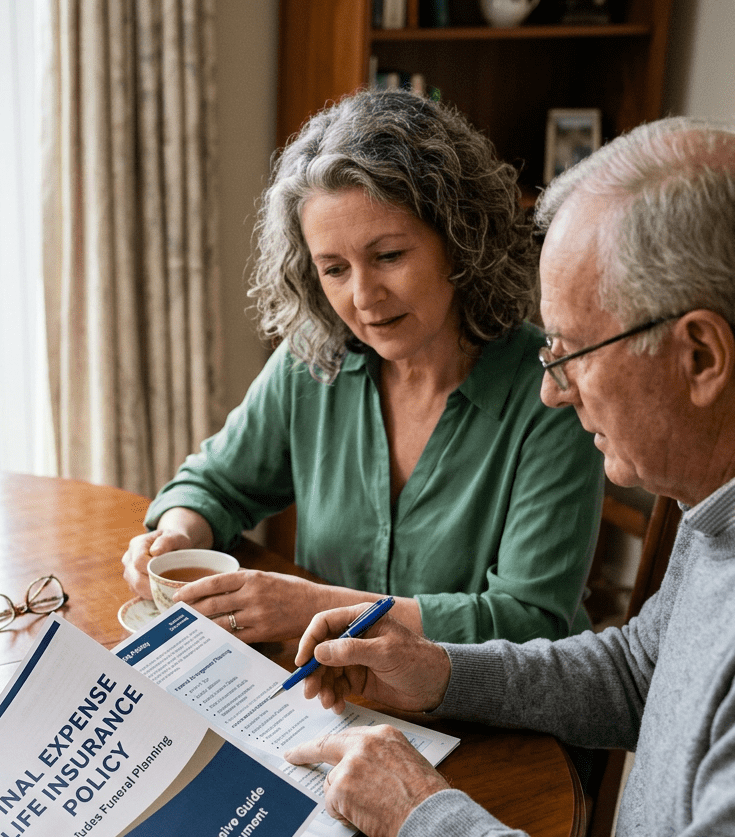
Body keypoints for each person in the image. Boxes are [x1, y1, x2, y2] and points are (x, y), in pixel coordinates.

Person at [285, 116, 735, 837]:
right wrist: (440, 669)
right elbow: (639, 667)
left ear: (698, 356)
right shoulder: (713, 505)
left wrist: (422, 812)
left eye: (574, 351)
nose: (551, 388)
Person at [122, 89, 602, 645]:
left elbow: (527, 621)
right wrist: (179, 535)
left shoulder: (551, 391)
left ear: (458, 239)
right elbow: (216, 483)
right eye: (334, 269)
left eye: (389, 256)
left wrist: (315, 608)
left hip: (498, 717)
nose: (363, 296)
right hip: (331, 695)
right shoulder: (312, 360)